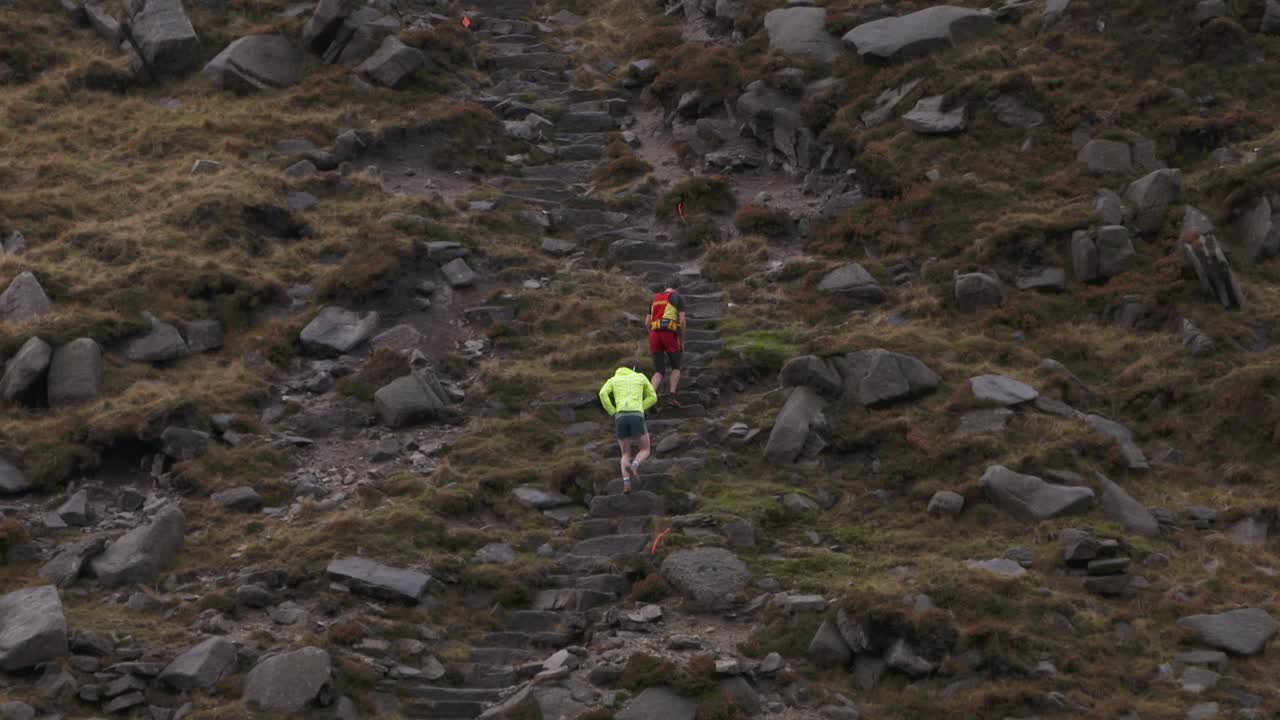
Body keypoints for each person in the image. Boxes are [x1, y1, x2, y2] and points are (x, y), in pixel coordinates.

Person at [598, 365, 657, 493]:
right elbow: (653, 397)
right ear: (633, 369)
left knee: (625, 454)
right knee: (645, 449)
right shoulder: (640, 377)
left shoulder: (613, 379)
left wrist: (612, 411)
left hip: (620, 416)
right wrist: (640, 407)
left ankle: (626, 485)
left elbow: (602, 393)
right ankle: (634, 465)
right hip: (636, 415)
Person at [648, 277, 687, 405]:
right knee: (676, 367)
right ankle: (671, 397)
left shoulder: (654, 298)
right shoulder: (678, 298)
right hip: (669, 334)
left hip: (654, 334)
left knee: (659, 370)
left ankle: (650, 400)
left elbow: (647, 322)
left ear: (666, 286)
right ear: (678, 288)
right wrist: (681, 340)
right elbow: (682, 321)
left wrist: (652, 333)